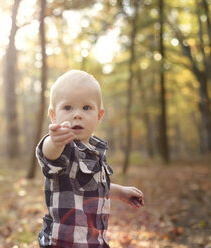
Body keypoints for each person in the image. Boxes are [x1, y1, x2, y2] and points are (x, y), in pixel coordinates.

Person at [35, 70, 144, 248]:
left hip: (93, 241)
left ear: (99, 116)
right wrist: (53, 141)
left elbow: (94, 188)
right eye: (68, 107)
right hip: (63, 243)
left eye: (86, 107)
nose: (77, 114)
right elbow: (49, 155)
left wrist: (121, 192)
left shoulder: (95, 150)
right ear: (53, 115)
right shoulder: (63, 148)